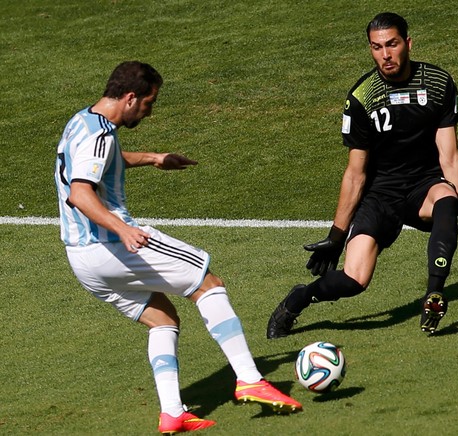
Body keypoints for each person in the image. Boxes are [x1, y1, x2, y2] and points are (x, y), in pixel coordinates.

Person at [55, 61, 301, 435]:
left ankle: (172, 413)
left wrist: (155, 158)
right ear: (131, 97)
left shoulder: (82, 122)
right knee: (208, 282)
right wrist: (122, 229)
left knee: (163, 318)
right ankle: (250, 379)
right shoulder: (99, 135)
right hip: (108, 243)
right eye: (149, 103)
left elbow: (100, 164)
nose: (150, 111)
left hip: (82, 260)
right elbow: (80, 192)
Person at [267, 12, 458, 339]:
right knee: (354, 280)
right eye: (377, 47)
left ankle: (433, 295)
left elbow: (449, 157)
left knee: (447, 199)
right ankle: (300, 297)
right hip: (380, 195)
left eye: (391, 44)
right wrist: (336, 237)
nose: (385, 55)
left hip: (424, 186)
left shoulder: (438, 83)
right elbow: (356, 173)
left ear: (408, 43)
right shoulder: (362, 97)